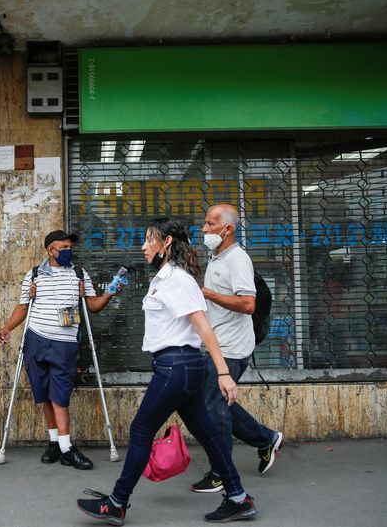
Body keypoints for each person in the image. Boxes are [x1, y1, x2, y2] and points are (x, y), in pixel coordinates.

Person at [76, 217, 257, 525]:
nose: (143, 246)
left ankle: (117, 503)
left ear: (166, 243)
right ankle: (239, 498)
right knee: (208, 433)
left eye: (149, 240)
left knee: (141, 430)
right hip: (178, 367)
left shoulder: (178, 279)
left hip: (177, 367)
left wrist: (224, 373)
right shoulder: (163, 278)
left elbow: (204, 327)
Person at [0, 230, 125, 470]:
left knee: (60, 396)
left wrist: (110, 292)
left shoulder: (79, 273)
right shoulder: (34, 275)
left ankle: (67, 449)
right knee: (44, 394)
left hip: (64, 344)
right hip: (35, 340)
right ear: (50, 250)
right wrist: (7, 328)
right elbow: (23, 307)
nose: (67, 251)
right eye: (62, 248)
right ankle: (55, 442)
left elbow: (93, 306)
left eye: (69, 247)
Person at [190, 204, 283, 494]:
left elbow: (247, 304)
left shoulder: (238, 260)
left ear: (227, 229)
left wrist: (208, 293)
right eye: (204, 224)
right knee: (215, 404)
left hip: (232, 349)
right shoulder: (218, 257)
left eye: (209, 224)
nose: (204, 229)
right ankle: (265, 438)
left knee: (212, 409)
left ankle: (221, 473)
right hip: (219, 345)